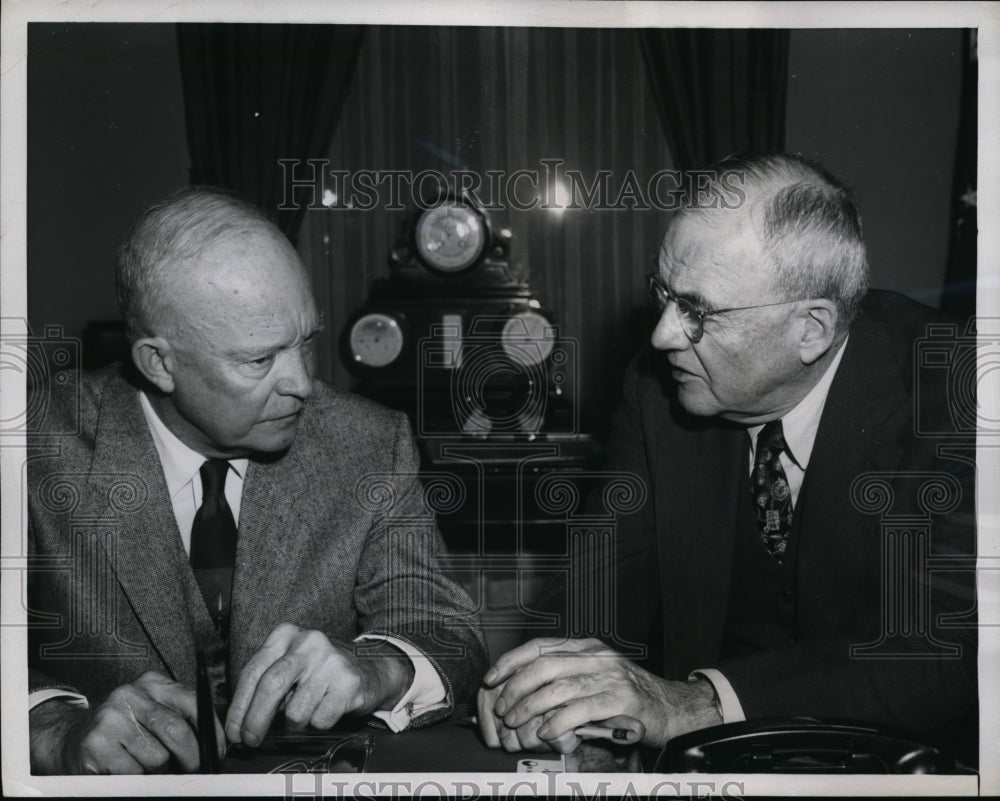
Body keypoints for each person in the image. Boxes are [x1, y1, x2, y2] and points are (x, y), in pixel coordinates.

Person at [478, 154, 977, 756]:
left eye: (698, 310)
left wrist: (693, 704)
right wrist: (556, 694)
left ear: (811, 328)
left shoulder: (960, 392)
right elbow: (602, 581)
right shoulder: (656, 387)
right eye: (663, 293)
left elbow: (950, 652)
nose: (662, 335)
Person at [26, 186, 486, 774]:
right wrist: (52, 724)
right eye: (258, 359)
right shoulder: (27, 445)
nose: (302, 383)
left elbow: (448, 631)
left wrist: (377, 667)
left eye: (306, 342)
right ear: (159, 363)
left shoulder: (371, 442)